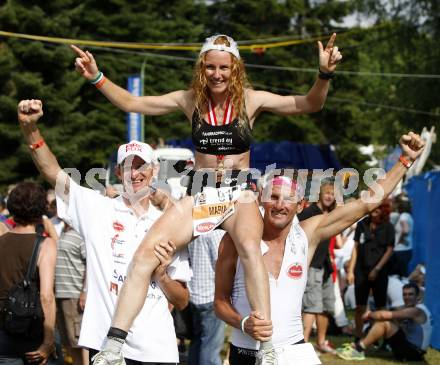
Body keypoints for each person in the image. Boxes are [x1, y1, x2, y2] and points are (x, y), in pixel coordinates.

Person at [71, 33, 342, 364]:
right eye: (211, 67)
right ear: (202, 68)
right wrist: (96, 76)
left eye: (224, 68)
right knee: (145, 255)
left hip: (238, 193)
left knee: (249, 247)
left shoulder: (250, 101)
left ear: (236, 68)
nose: (217, 74)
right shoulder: (190, 101)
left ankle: (267, 348)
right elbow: (133, 103)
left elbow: (309, 104)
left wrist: (324, 74)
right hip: (201, 193)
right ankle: (112, 348)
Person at [213, 128, 425, 365]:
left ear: (301, 205)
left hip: (294, 350)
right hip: (246, 352)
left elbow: (366, 204)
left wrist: (405, 160)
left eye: (289, 199)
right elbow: (220, 302)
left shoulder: (307, 234)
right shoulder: (236, 240)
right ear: (261, 197)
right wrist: (243, 323)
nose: (280, 205)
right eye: (273, 196)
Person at [17, 99, 192, 365]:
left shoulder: (169, 223)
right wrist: (30, 129)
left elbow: (182, 301)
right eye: (128, 166)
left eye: (141, 165)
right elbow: (51, 171)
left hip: (158, 349)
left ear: (154, 170)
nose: (135, 174)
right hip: (106, 345)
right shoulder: (96, 208)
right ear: (118, 171)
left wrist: (162, 276)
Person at [0, 182, 57, 364]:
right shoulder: (45, 245)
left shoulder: (2, 240)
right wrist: (49, 341)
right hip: (30, 333)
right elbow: (46, 296)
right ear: (41, 209)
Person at [336, 282, 432, 361]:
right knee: (389, 320)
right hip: (415, 351)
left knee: (384, 323)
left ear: (418, 296)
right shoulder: (418, 308)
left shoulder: (415, 311)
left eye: (410, 294)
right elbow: (393, 313)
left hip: (413, 354)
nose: (406, 297)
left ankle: (358, 349)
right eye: (404, 294)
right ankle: (381, 346)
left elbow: (384, 315)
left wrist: (369, 314)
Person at [346, 200, 394, 342]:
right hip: (361, 270)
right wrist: (350, 271)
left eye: (379, 207)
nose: (375, 210)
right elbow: (355, 248)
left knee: (380, 307)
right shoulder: (362, 224)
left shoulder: (388, 227)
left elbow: (390, 250)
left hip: (380, 272)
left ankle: (382, 339)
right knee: (360, 306)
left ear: (384, 209)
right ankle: (358, 337)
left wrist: (377, 269)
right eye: (373, 206)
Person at [298, 180, 337, 354]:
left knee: (326, 307)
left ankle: (321, 341)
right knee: (311, 307)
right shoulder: (309, 212)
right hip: (311, 264)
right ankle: (303, 346)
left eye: (333, 194)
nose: (330, 197)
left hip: (326, 266)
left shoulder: (329, 214)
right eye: (328, 193)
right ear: (320, 194)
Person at [187, 229, 226, 365]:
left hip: (194, 295)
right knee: (210, 347)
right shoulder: (216, 233)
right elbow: (222, 264)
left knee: (198, 342)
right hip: (211, 296)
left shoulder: (193, 230)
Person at [55, 223, 88, 365]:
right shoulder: (64, 231)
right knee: (69, 342)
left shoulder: (81, 234)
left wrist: (85, 292)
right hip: (61, 294)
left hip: (74, 295)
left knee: (80, 341)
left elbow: (90, 265)